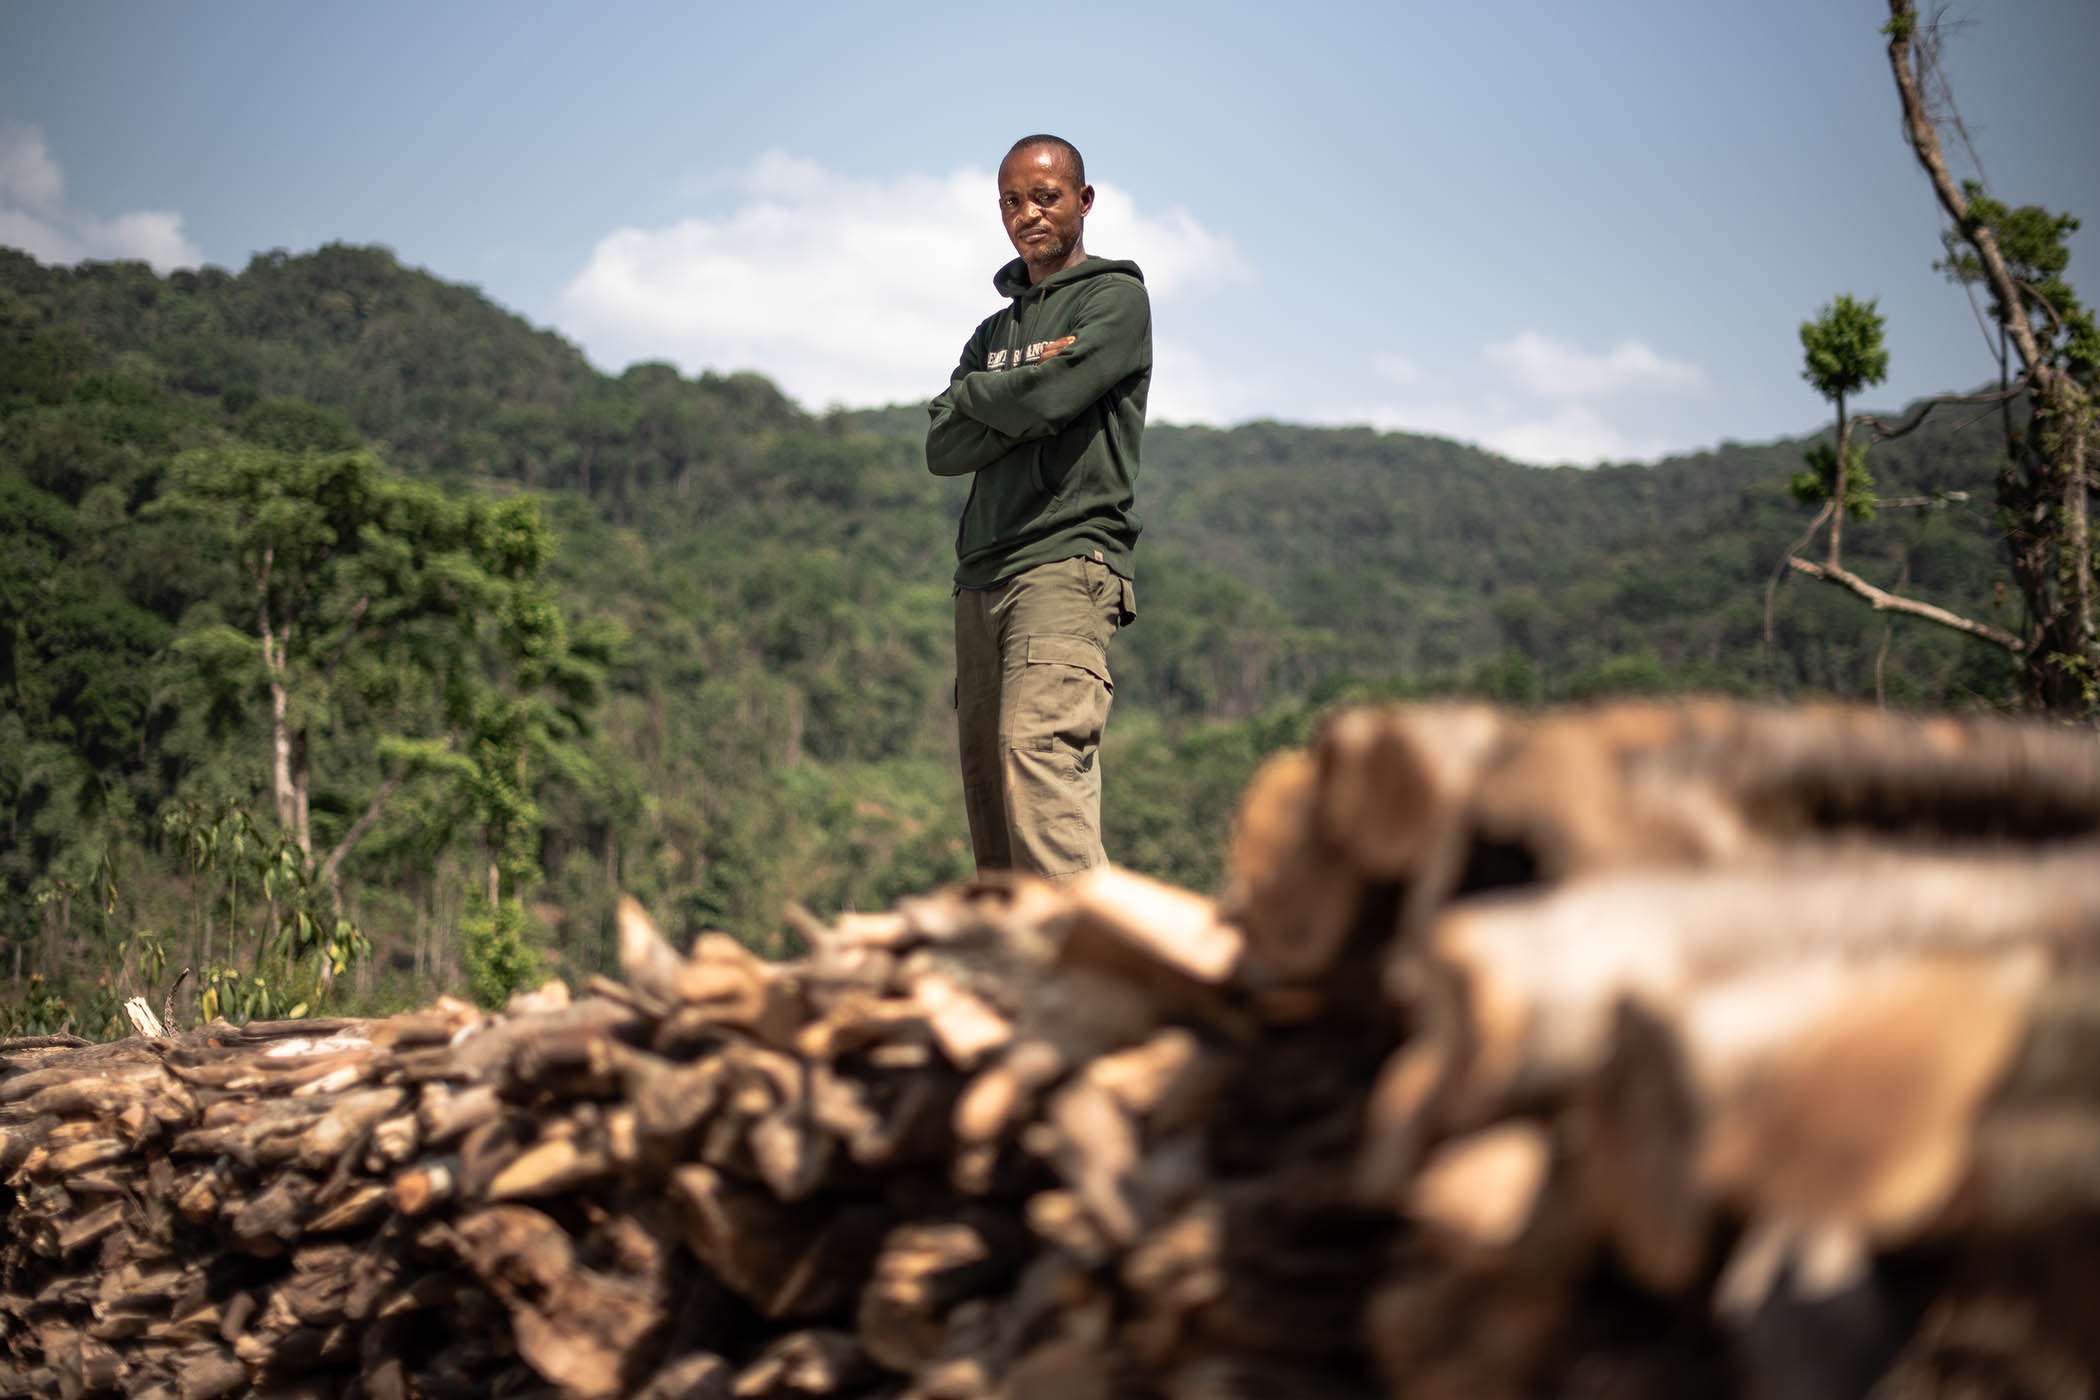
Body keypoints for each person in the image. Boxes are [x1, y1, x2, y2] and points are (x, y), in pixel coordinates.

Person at [925, 134, 1150, 881]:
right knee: (990, 804)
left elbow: (1055, 396)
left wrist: (991, 398)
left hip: (1062, 565)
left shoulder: (1114, 298)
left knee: (1040, 773)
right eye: (1012, 202)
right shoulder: (993, 333)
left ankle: (1100, 979)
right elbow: (944, 444)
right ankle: (1018, 988)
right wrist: (1019, 393)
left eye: (1046, 197)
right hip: (979, 578)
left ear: (1084, 201)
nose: (1029, 214)